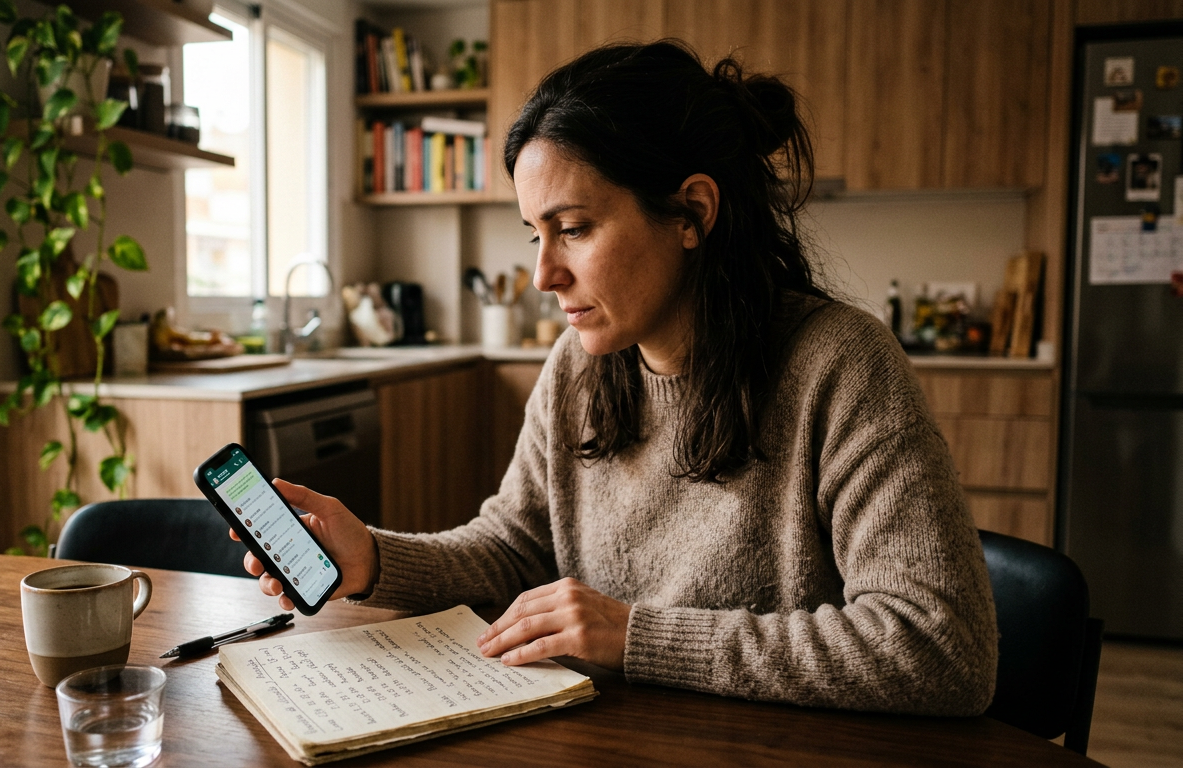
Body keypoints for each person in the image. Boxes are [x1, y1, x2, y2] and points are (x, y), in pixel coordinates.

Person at [233, 40, 997, 716]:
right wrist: (372, 558)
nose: (543, 274)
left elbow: (940, 647)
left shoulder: (842, 366)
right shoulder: (578, 365)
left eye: (573, 229)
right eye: (535, 235)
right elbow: (511, 548)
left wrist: (635, 636)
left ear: (691, 213)